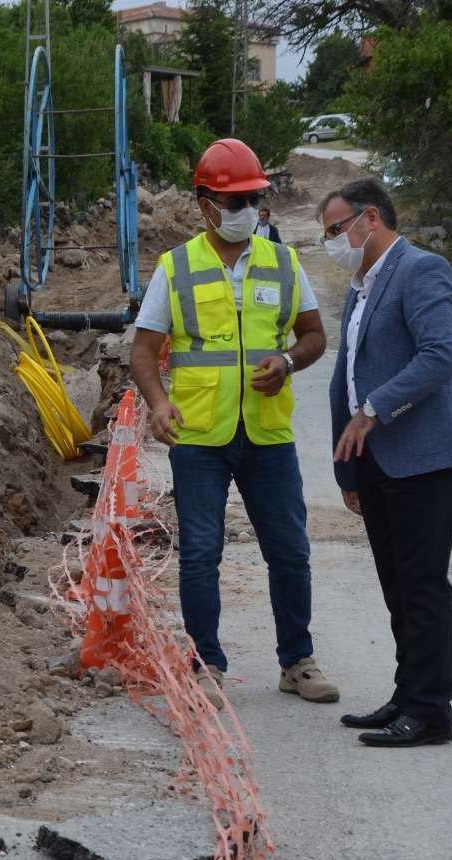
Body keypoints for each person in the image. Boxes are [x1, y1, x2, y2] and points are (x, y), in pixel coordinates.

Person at [129, 138, 339, 702]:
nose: (247, 209)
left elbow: (316, 334)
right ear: (205, 205)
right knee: (201, 552)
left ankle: (297, 661)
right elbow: (144, 351)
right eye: (235, 199)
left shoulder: (283, 261)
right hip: (199, 435)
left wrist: (290, 360)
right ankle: (205, 663)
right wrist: (158, 403)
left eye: (253, 198)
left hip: (267, 433)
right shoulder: (176, 268)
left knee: (290, 549)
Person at [320, 178, 452, 748]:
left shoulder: (422, 269)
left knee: (422, 584)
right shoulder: (362, 286)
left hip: (425, 457)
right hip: (376, 459)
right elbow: (349, 376)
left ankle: (431, 711)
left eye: (336, 229)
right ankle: (407, 692)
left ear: (369, 218)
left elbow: (439, 355)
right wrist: (349, 467)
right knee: (396, 584)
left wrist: (374, 410)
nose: (332, 241)